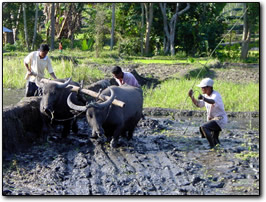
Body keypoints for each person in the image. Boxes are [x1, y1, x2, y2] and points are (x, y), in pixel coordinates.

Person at [188, 78, 227, 148]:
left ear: (209, 87)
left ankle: (211, 146)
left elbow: (212, 101)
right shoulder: (206, 95)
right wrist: (191, 97)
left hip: (219, 119)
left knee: (204, 127)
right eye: (201, 87)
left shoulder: (216, 95)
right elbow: (198, 104)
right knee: (215, 138)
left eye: (203, 87)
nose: (201, 89)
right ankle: (217, 147)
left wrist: (203, 98)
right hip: (213, 120)